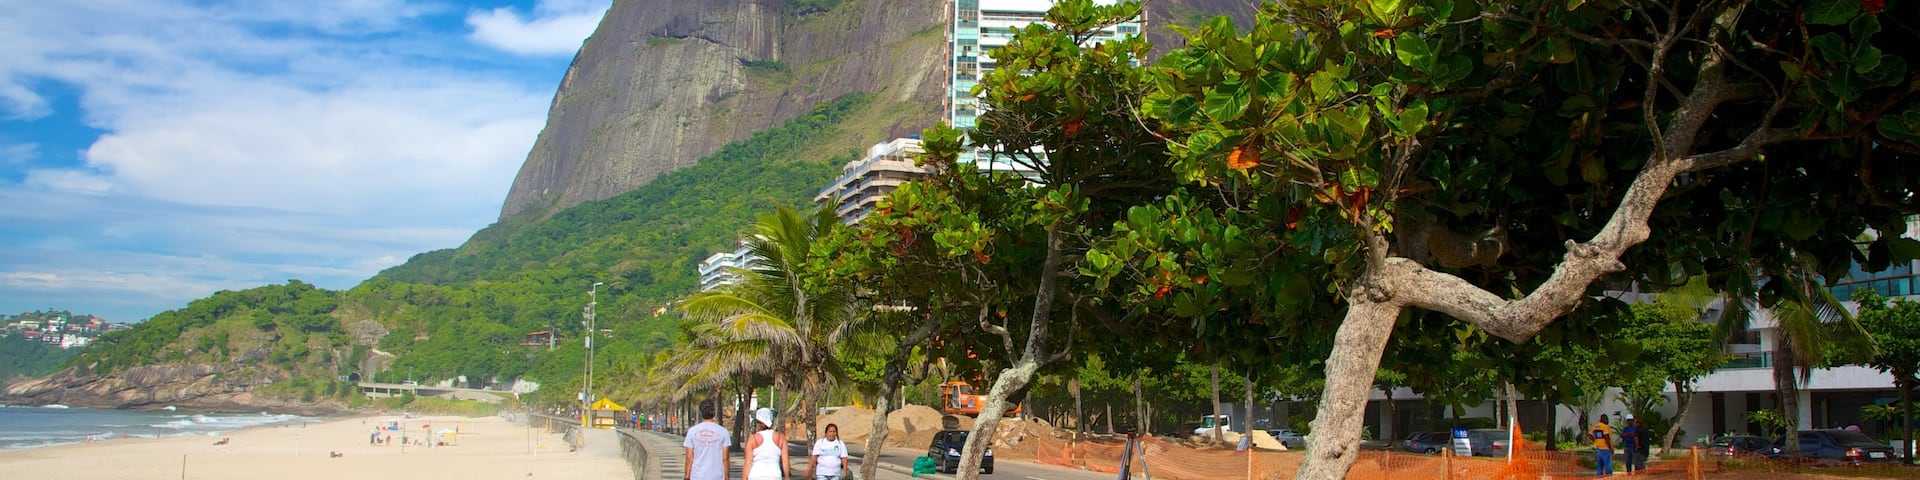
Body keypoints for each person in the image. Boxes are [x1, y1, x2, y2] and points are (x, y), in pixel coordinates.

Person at [684, 399, 732, 480]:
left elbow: (689, 458)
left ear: (701, 412)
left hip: (697, 475)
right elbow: (725, 458)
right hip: (717, 475)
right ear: (713, 412)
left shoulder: (692, 431)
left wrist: (687, 476)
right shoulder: (723, 432)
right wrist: (727, 477)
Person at [743, 408, 788, 480]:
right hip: (774, 475)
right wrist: (787, 477)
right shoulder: (781, 438)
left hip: (756, 475)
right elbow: (785, 461)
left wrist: (743, 478)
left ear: (758, 422)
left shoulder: (753, 439)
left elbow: (748, 462)